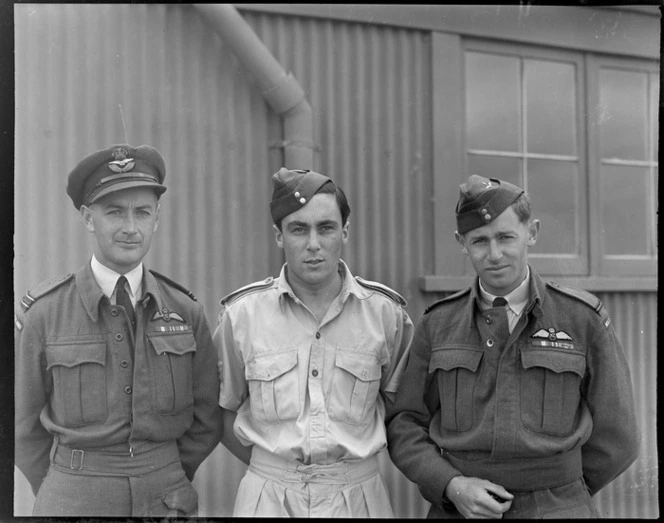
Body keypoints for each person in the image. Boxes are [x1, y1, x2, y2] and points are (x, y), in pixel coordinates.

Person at [385, 174, 640, 519]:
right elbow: (405, 422)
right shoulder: (438, 324)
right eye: (479, 241)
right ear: (461, 242)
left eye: (506, 237)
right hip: (461, 509)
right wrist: (451, 485)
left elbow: (618, 437)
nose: (494, 254)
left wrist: (564, 493)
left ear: (531, 232)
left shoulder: (581, 319)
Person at [14, 144, 222, 517]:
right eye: (114, 212)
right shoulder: (45, 314)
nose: (130, 227)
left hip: (166, 499)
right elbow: (19, 424)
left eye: (142, 213)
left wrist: (165, 470)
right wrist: (63, 484)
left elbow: (207, 419)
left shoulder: (186, 311)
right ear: (88, 217)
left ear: (156, 219)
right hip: (73, 497)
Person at [213, 167, 414, 517]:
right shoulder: (242, 316)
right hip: (268, 498)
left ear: (345, 231)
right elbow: (220, 411)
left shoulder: (385, 315)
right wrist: (275, 468)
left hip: (358, 499)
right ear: (279, 236)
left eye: (326, 228)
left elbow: (404, 412)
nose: (313, 245)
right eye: (298, 229)